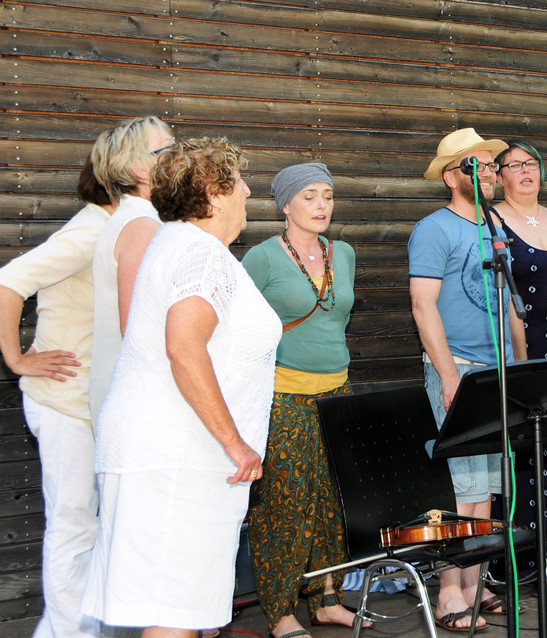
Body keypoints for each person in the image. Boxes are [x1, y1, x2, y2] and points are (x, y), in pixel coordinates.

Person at [81, 137, 281, 636]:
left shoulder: (178, 244)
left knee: (169, 615)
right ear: (213, 194)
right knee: (175, 617)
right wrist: (235, 443)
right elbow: (184, 348)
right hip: (178, 460)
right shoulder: (202, 254)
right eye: (239, 182)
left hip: (163, 453)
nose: (248, 191)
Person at [243, 163, 367, 637]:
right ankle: (280, 612)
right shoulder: (262, 258)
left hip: (338, 392)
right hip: (283, 396)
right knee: (284, 504)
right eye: (309, 196)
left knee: (334, 500)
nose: (321, 206)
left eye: (328, 196)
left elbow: (337, 320)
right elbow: (234, 326)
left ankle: (327, 599)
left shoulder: (344, 253)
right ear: (285, 204)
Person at [409, 128, 525, 631]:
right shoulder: (434, 229)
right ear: (452, 176)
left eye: (493, 165)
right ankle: (448, 592)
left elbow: (509, 305)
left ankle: (475, 583)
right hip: (459, 369)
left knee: (489, 488)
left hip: (500, 373)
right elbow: (423, 305)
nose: (491, 173)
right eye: (477, 165)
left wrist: (522, 368)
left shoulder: (495, 227)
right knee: (461, 487)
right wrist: (449, 374)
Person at [0, 157, 115, 638]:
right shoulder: (91, 231)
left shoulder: (116, 227)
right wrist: (16, 358)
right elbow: (10, 280)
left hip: (93, 404)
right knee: (73, 527)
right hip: (64, 403)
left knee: (95, 529)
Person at [491, 138, 547, 578]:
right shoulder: (491, 220)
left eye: (531, 164)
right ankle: (519, 562)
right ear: (499, 175)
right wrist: (521, 360)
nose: (525, 172)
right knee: (522, 452)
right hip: (523, 345)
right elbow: (504, 297)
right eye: (514, 165)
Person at [89, 115, 174, 425]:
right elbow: (137, 327)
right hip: (139, 400)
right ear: (140, 168)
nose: (181, 157)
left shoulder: (138, 218)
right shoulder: (142, 226)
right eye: (169, 149)